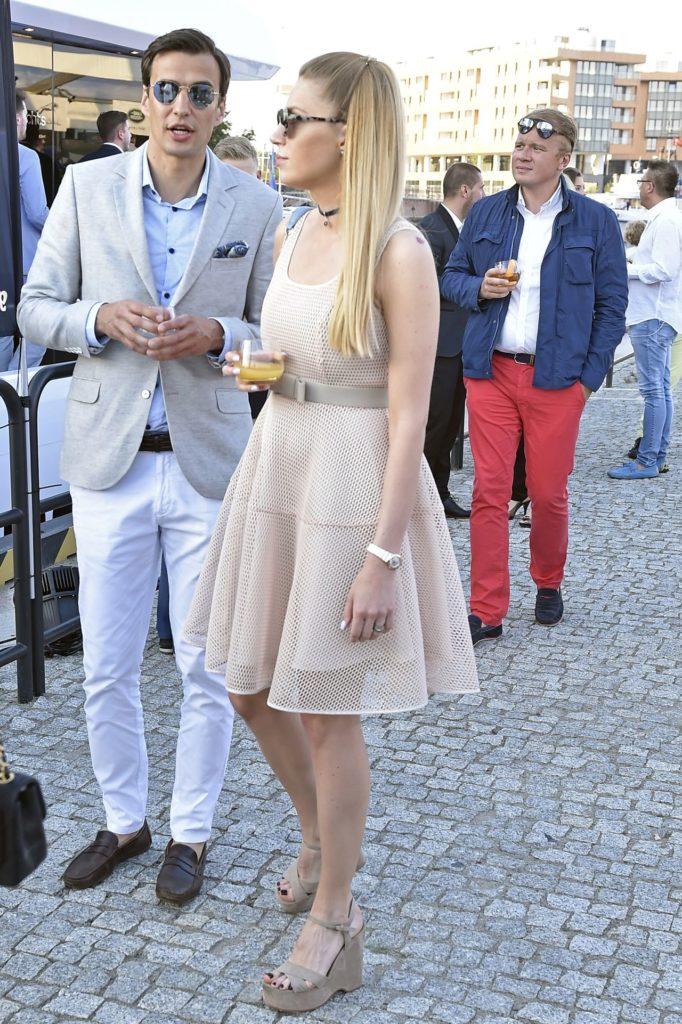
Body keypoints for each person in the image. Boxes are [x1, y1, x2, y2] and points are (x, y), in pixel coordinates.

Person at [185, 51, 478, 1012]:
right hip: (280, 459)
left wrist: (383, 557)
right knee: (247, 685)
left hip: (352, 483)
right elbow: (302, 350)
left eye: (292, 119)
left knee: (325, 706)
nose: (275, 135)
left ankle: (336, 914)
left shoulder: (398, 249)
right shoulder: (295, 226)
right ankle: (317, 838)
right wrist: (264, 368)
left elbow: (410, 415)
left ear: (346, 135)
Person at [18, 28, 281, 904]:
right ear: (143, 99)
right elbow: (34, 309)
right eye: (167, 90)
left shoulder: (255, 204)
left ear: (220, 107)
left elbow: (275, 353)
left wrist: (219, 336)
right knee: (107, 662)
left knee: (206, 666)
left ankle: (189, 833)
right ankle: (122, 821)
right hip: (110, 464)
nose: (181, 107)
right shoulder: (86, 187)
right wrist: (99, 319)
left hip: (209, 462)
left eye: (200, 93)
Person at [442, 108, 627, 645]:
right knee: (489, 492)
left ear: (563, 159)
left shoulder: (596, 221)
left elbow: (612, 305)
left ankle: (548, 581)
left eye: (536, 148)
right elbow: (451, 276)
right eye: (519, 145)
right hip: (491, 372)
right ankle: (486, 609)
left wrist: (588, 379)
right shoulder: (487, 212)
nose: (522, 154)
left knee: (547, 493)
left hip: (558, 380)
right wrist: (478, 288)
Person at [419, 162, 484, 519]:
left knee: (449, 426)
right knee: (435, 425)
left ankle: (439, 494)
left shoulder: (464, 230)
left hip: (460, 345)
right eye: (481, 188)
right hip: (438, 346)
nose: (484, 195)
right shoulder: (430, 229)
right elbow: (425, 287)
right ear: (465, 191)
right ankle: (422, 498)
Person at [608, 161, 682, 479]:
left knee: (654, 391)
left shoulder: (666, 221)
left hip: (652, 316)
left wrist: (625, 270)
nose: (639, 187)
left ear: (650, 186)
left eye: (641, 181)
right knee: (661, 390)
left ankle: (647, 460)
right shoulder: (666, 218)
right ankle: (656, 456)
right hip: (657, 316)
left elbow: (664, 270)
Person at [215, 135, 270, 420]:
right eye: (229, 180)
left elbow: (270, 321)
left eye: (246, 181)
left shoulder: (279, 225)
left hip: (259, 363)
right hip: (210, 373)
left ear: (259, 178)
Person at [0, 91, 50, 372]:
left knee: (2, 334)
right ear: (19, 119)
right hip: (24, 261)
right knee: (38, 333)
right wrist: (66, 225)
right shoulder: (25, 156)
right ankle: (11, 388)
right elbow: (37, 212)